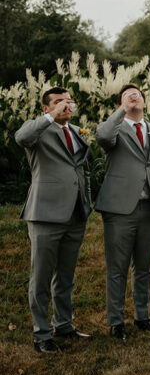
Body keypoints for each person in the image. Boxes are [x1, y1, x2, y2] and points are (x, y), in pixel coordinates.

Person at [95, 83, 150, 340]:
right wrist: (122, 110)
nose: (134, 97)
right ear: (121, 104)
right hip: (120, 210)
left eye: (138, 94)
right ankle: (116, 321)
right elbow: (103, 136)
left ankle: (142, 316)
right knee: (117, 268)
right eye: (128, 96)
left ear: (145, 102)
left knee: (144, 266)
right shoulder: (115, 130)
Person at [16, 86, 93, 353]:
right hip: (46, 213)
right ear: (46, 109)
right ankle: (41, 334)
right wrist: (51, 118)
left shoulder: (75, 132)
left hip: (75, 213)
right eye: (58, 102)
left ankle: (63, 324)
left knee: (66, 275)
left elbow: (81, 169)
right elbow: (21, 137)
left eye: (68, 101)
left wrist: (87, 202)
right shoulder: (37, 130)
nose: (65, 105)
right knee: (41, 277)